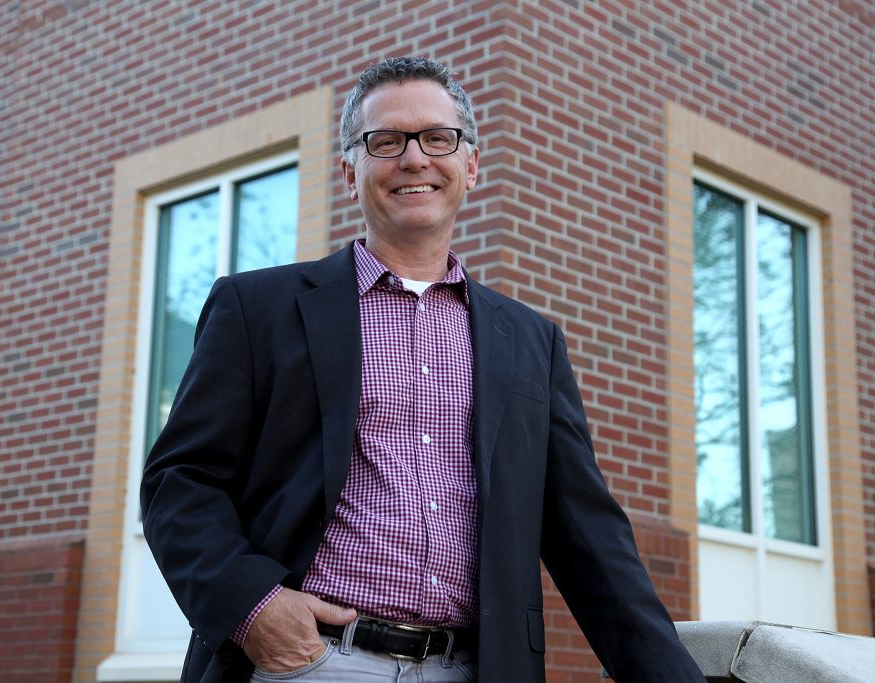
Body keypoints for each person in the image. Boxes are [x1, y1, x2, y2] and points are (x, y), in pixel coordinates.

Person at [141, 56, 705, 683]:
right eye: (385, 141)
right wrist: (253, 608)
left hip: (473, 668)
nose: (414, 159)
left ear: (471, 165)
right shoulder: (256, 309)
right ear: (351, 174)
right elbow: (179, 482)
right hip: (306, 663)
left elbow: (590, 540)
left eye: (439, 138)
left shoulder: (531, 342)